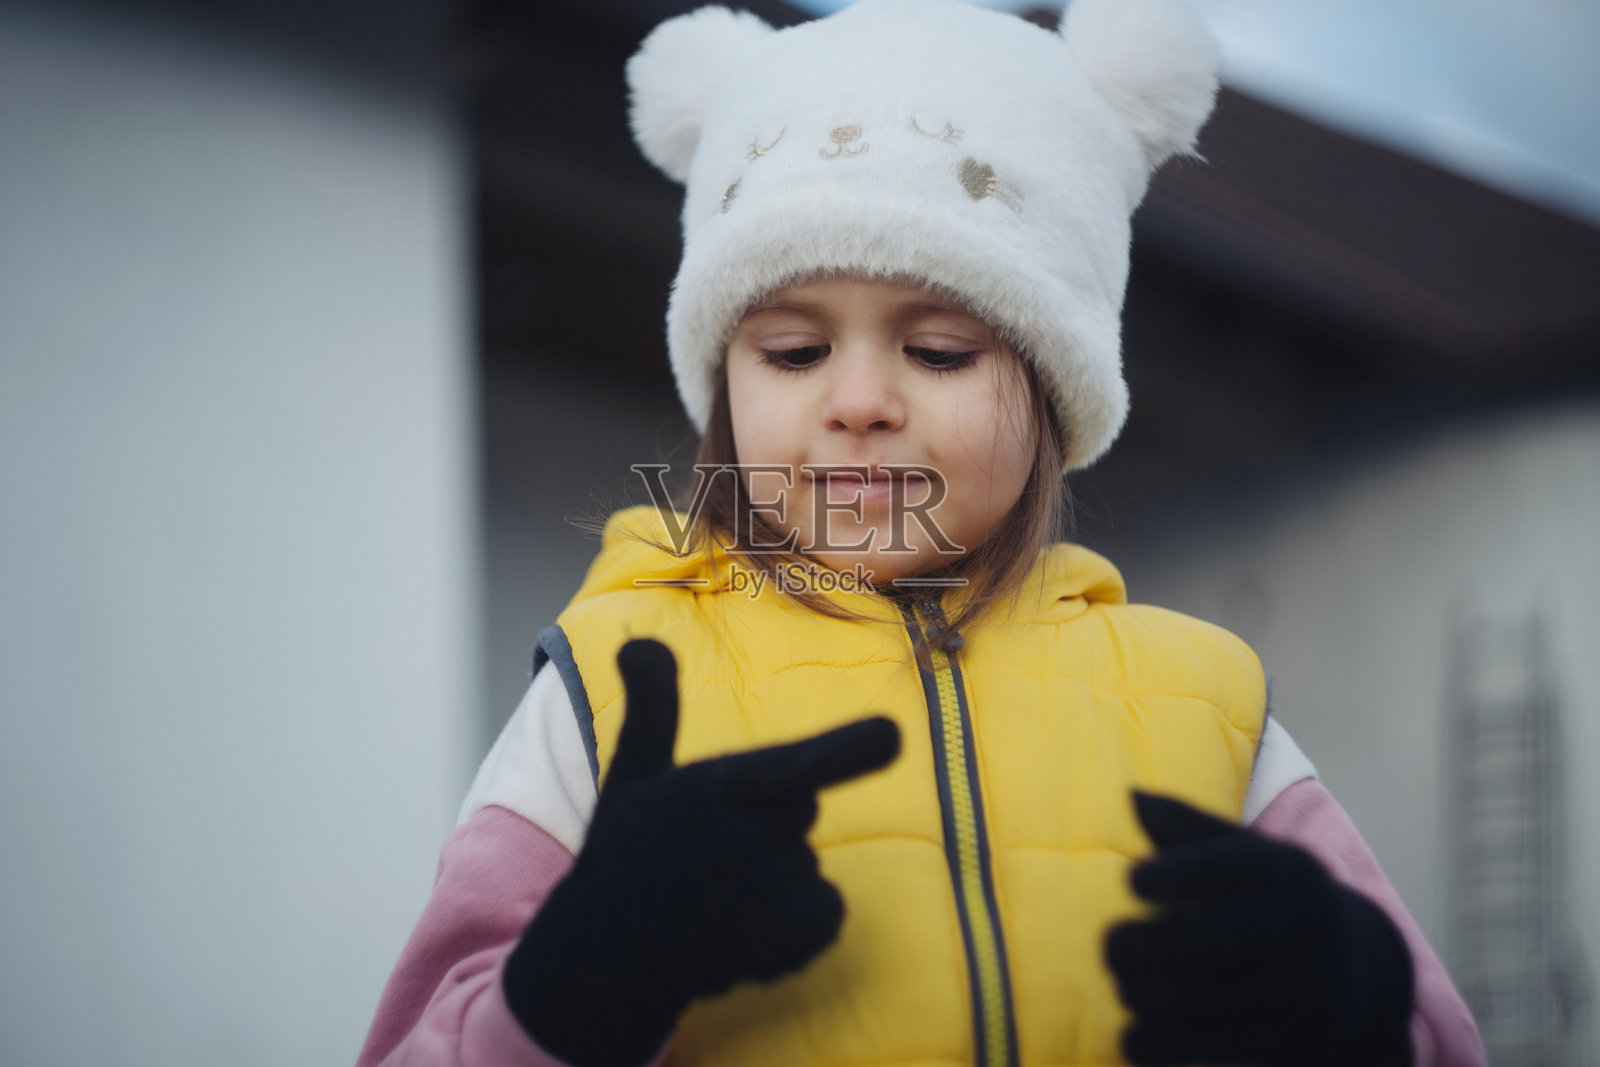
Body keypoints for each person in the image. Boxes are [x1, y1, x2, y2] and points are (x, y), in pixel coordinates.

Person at [356, 1, 1487, 1065]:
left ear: (1051, 387)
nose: (858, 400)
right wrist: (569, 987)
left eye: (940, 350)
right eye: (794, 352)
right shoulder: (608, 688)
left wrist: (1356, 1012)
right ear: (725, 391)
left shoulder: (1206, 704)